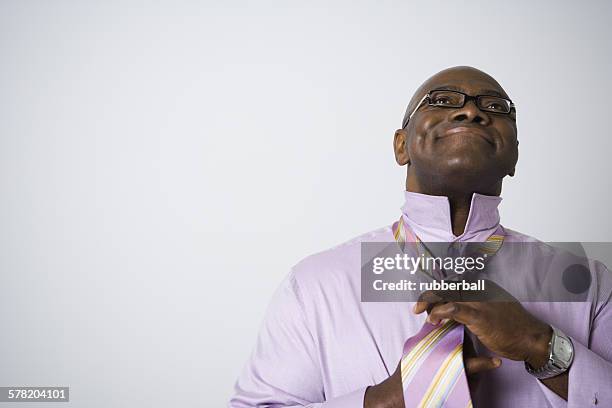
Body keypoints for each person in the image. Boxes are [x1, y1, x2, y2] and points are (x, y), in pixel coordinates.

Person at [229, 66, 612, 407]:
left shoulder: (590, 284)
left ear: (513, 155)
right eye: (443, 100)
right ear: (401, 145)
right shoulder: (314, 285)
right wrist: (385, 400)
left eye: (495, 108)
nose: (471, 111)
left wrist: (539, 344)